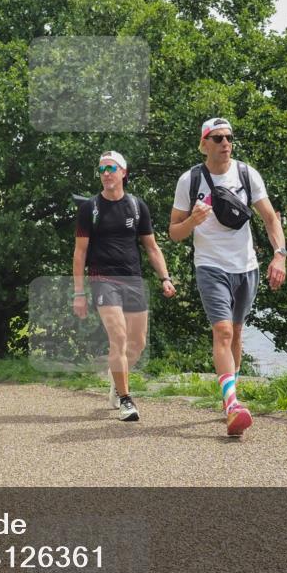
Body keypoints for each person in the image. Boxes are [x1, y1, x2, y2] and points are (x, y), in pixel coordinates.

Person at [168, 118, 287, 437]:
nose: (225, 143)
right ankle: (233, 405)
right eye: (218, 138)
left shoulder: (247, 174)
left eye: (229, 138)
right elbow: (174, 232)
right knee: (221, 331)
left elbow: (270, 218)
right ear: (204, 144)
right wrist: (192, 221)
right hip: (210, 265)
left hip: (246, 266)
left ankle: (229, 397)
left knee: (235, 332)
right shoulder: (190, 180)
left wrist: (279, 255)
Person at [73, 151, 176, 422]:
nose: (106, 173)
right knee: (118, 337)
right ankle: (126, 400)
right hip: (102, 279)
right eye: (101, 169)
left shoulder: (136, 206)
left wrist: (165, 277)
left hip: (133, 279)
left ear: (123, 172)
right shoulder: (90, 208)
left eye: (111, 168)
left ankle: (116, 382)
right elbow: (80, 253)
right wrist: (79, 292)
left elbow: (151, 247)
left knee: (137, 343)